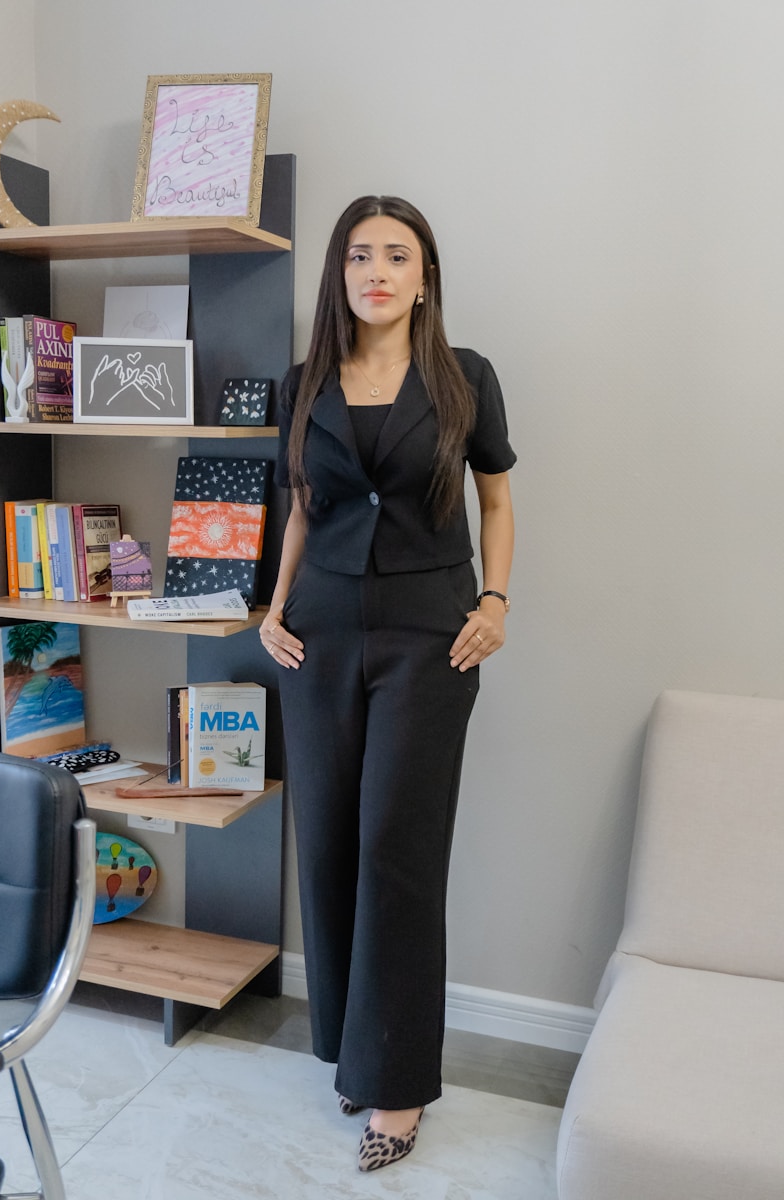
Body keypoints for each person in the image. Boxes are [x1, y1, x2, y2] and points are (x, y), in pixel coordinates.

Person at [259, 195, 515, 1172]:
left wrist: (493, 602)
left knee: (394, 850)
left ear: (423, 275)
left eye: (395, 255)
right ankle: (351, 1055)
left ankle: (397, 1083)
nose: (376, 270)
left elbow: (496, 497)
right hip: (317, 635)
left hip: (427, 635)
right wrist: (272, 609)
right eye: (359, 255)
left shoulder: (465, 379)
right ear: (339, 273)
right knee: (325, 845)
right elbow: (301, 509)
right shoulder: (304, 381)